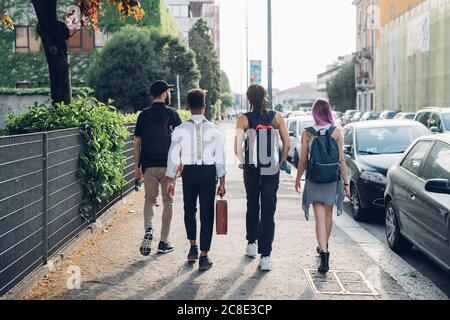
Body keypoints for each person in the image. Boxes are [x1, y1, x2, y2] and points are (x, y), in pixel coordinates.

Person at [166, 89, 226, 271]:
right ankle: (204, 256)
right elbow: (220, 159)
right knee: (207, 214)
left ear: (187, 106)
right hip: (208, 173)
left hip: (189, 173)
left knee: (188, 209)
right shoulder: (215, 130)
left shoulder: (180, 129)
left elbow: (173, 156)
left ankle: (193, 247)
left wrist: (170, 180)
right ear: (205, 106)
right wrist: (222, 183)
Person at [235, 84, 290, 271]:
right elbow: (287, 144)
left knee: (252, 204)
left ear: (249, 100)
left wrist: (244, 162)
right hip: (271, 170)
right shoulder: (277, 117)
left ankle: (252, 244)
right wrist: (279, 163)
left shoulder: (244, 119)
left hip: (251, 169)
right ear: (266, 97)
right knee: (268, 210)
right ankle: (265, 256)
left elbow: (237, 147)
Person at [295, 98, 350, 273]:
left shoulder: (307, 133)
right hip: (332, 179)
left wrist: (297, 179)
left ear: (314, 113)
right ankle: (324, 246)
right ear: (328, 111)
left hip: (314, 179)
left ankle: (323, 254)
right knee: (328, 216)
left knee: (319, 217)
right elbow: (341, 160)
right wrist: (346, 182)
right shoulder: (337, 132)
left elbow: (303, 161)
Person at [134, 80, 182, 256]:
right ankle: (163, 242)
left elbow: (136, 143)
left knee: (149, 200)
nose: (170, 94)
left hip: (148, 164)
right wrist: (180, 161)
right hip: (168, 167)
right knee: (168, 201)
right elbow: (180, 140)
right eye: (168, 91)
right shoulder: (172, 114)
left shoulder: (143, 115)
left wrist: (137, 168)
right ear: (163, 94)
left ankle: (148, 229)